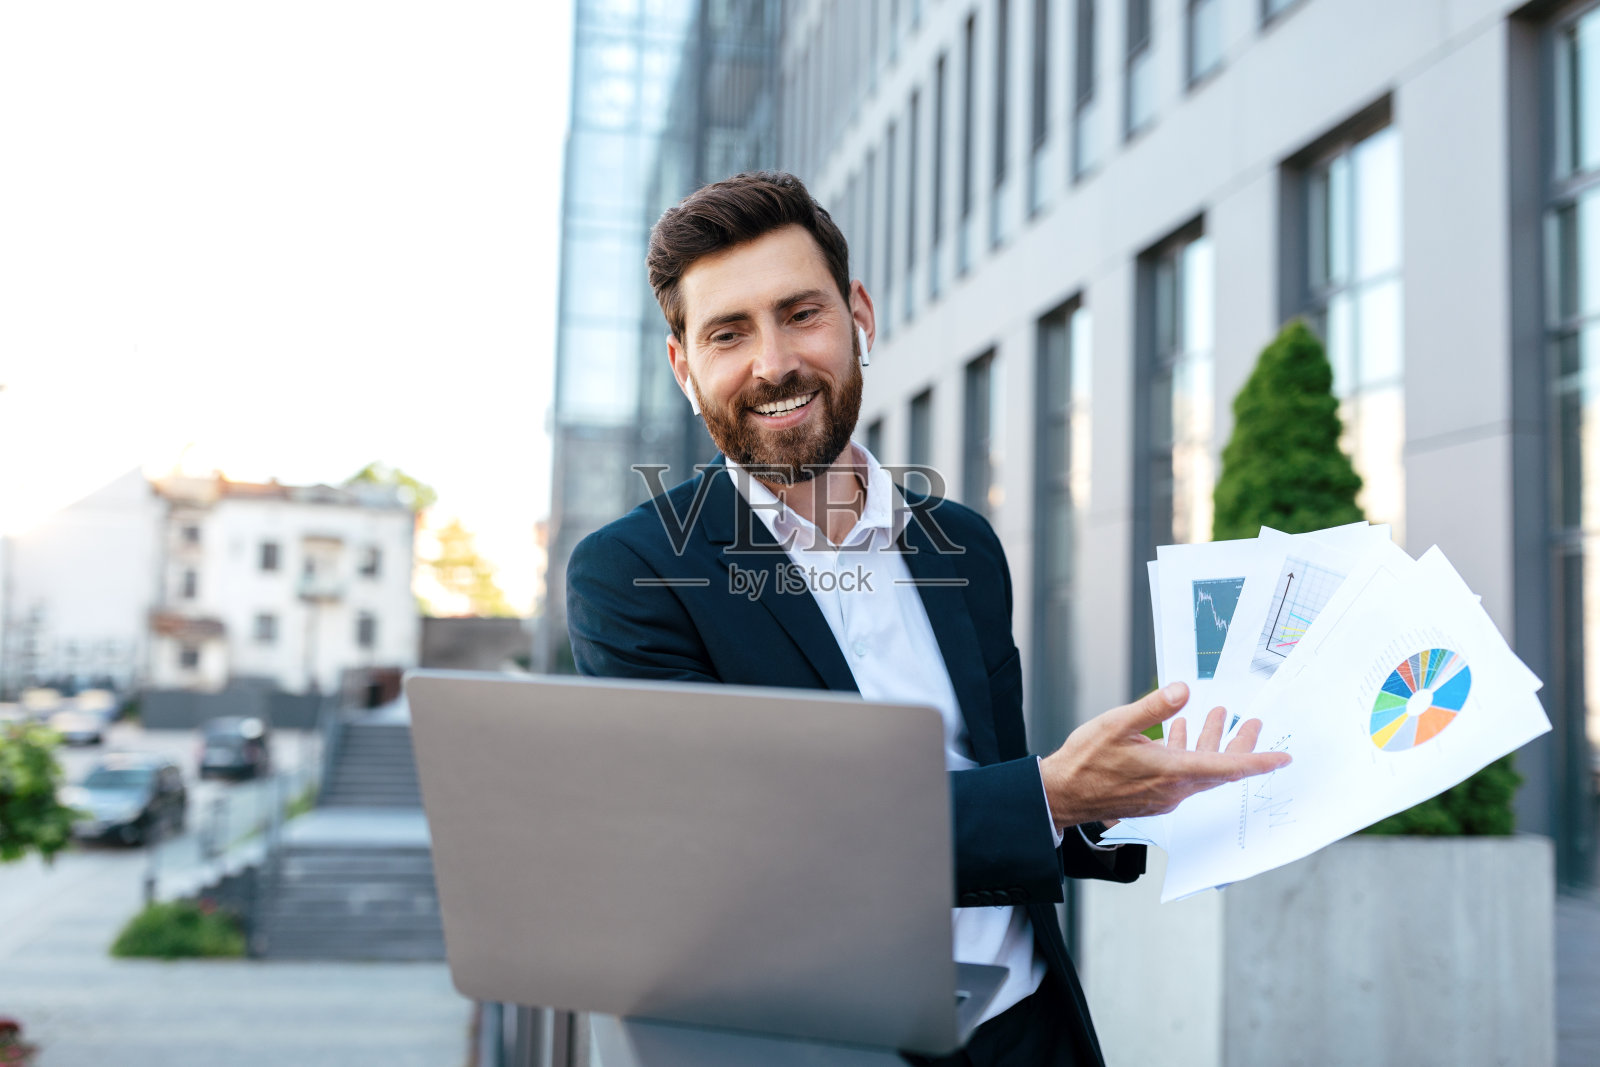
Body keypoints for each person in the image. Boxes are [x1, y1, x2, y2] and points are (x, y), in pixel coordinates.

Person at [566, 171, 1289, 1067]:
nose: (775, 362)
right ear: (685, 367)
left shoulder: (963, 546)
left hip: (1029, 1030)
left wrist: (1131, 798)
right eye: (728, 333)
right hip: (824, 1048)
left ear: (858, 314)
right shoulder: (634, 573)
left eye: (802, 313)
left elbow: (989, 785)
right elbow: (742, 851)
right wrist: (1056, 790)